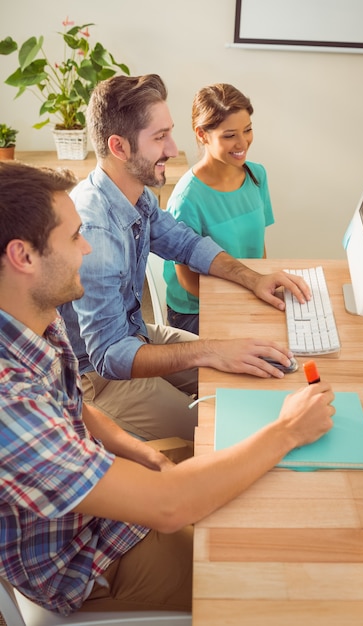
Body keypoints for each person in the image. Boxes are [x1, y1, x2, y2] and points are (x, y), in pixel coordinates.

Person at [0, 160, 335, 616]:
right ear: (23, 257)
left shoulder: (31, 317)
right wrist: (289, 430)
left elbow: (73, 405)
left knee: (263, 484)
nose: (87, 248)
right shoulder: (8, 403)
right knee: (273, 573)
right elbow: (170, 505)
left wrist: (138, 451)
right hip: (87, 561)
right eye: (74, 236)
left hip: (103, 496)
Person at [60, 74, 311, 443]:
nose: (174, 149)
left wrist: (252, 278)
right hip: (100, 378)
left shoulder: (133, 193)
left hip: (137, 335)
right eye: (160, 137)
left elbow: (187, 244)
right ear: (119, 147)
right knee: (228, 430)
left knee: (256, 369)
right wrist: (209, 349)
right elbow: (110, 356)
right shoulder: (97, 232)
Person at [164, 83, 274, 335]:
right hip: (197, 309)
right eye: (229, 135)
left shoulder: (257, 175)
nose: (242, 142)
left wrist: (261, 284)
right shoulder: (186, 200)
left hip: (246, 290)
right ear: (202, 134)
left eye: (247, 130)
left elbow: (260, 246)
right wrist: (236, 303)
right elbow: (186, 280)